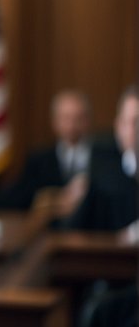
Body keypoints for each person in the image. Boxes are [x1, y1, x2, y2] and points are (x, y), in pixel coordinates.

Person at [0, 89, 94, 212]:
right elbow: (16, 198)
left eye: (78, 118)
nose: (71, 125)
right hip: (49, 230)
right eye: (66, 118)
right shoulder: (39, 161)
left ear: (88, 120)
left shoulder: (105, 160)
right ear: (54, 121)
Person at [67, 84, 138, 233]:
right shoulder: (103, 177)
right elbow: (75, 232)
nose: (134, 131)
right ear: (118, 126)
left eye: (138, 122)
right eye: (128, 122)